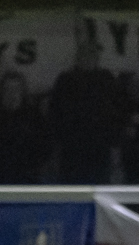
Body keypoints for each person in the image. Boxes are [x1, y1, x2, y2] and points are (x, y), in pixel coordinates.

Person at [48, 40, 122, 182]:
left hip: (99, 146)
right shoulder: (65, 80)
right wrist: (56, 147)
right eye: (84, 55)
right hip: (72, 147)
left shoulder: (106, 79)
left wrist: (115, 145)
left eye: (92, 55)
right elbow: (55, 115)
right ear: (78, 57)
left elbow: (115, 114)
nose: (88, 59)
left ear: (97, 58)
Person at [0, 72, 48, 183]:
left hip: (27, 178)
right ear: (1, 92)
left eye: (16, 89)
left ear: (23, 92)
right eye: (8, 89)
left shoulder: (34, 118)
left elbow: (44, 146)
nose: (12, 94)